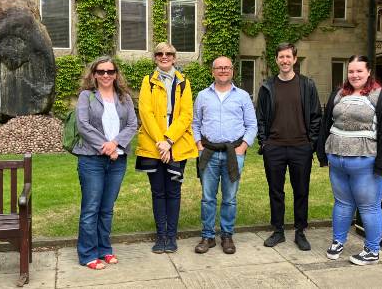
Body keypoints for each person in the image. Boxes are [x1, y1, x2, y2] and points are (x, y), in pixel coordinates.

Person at [317, 55, 382, 265]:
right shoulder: (338, 94)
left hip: (367, 164)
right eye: (351, 71)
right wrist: (322, 153)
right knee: (342, 204)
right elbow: (326, 123)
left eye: (359, 71)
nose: (354, 75)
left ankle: (372, 251)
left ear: (369, 71)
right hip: (337, 162)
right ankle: (338, 241)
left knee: (369, 207)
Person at [73, 56, 137, 270]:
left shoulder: (124, 97)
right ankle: (88, 254)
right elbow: (83, 125)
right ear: (94, 75)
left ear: (116, 74)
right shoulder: (86, 96)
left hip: (117, 160)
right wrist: (106, 146)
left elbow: (131, 124)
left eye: (110, 71)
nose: (106, 75)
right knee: (91, 208)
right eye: (101, 71)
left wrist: (115, 144)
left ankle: (104, 250)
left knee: (107, 208)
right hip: (92, 159)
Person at [256, 43, 322, 251]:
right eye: (281, 57)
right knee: (276, 191)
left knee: (301, 191)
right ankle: (278, 231)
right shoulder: (268, 86)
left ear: (295, 59)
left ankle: (300, 232)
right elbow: (261, 118)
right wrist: (264, 142)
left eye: (288, 57)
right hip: (274, 147)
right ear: (276, 60)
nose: (284, 61)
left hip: (300, 147)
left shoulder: (307, 85)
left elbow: (315, 116)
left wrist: (310, 143)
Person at [135, 42, 197, 254]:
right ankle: (161, 235)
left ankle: (172, 236)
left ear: (174, 57)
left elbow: (186, 115)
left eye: (168, 53)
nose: (164, 56)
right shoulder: (147, 82)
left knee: (173, 191)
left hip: (177, 145)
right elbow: (146, 113)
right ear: (155, 57)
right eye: (160, 53)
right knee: (158, 192)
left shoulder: (184, 82)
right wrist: (160, 142)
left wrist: (169, 140)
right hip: (153, 145)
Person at [192, 56, 257, 254]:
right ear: (212, 71)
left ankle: (227, 235)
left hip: (233, 153)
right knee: (207, 198)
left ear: (232, 71)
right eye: (219, 68)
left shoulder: (243, 96)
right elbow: (195, 123)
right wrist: (198, 145)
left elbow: (252, 125)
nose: (222, 71)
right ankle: (208, 236)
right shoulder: (203, 95)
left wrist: (243, 147)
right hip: (208, 152)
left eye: (226, 67)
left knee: (229, 198)